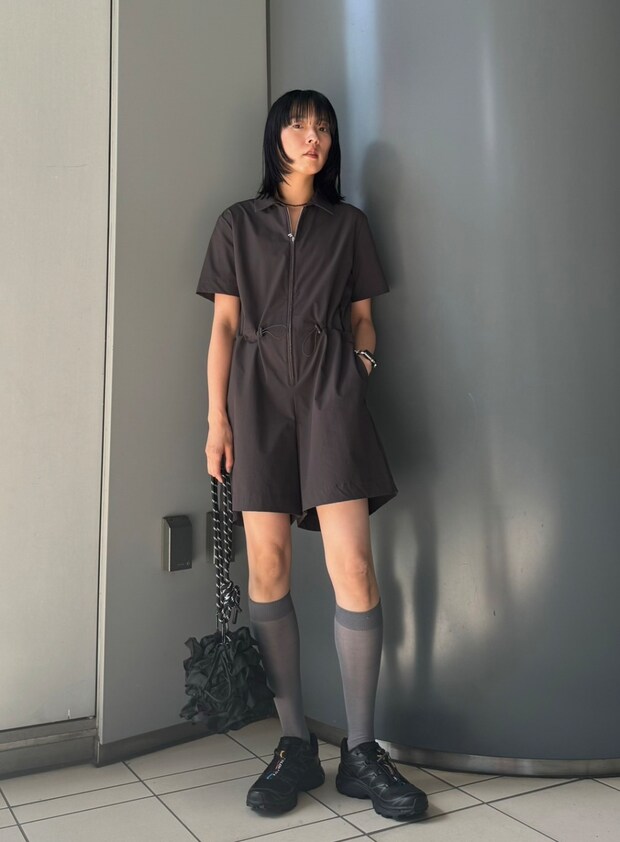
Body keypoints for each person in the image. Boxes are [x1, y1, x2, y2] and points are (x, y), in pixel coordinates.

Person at [196, 90, 428, 820]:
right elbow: (224, 327)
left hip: (331, 395)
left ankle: (361, 753)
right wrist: (217, 420)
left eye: (323, 127)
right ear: (276, 137)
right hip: (255, 398)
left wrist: (357, 370)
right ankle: (294, 743)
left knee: (352, 566)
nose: (312, 137)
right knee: (267, 566)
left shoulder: (348, 225)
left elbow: (364, 318)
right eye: (299, 125)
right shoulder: (237, 223)